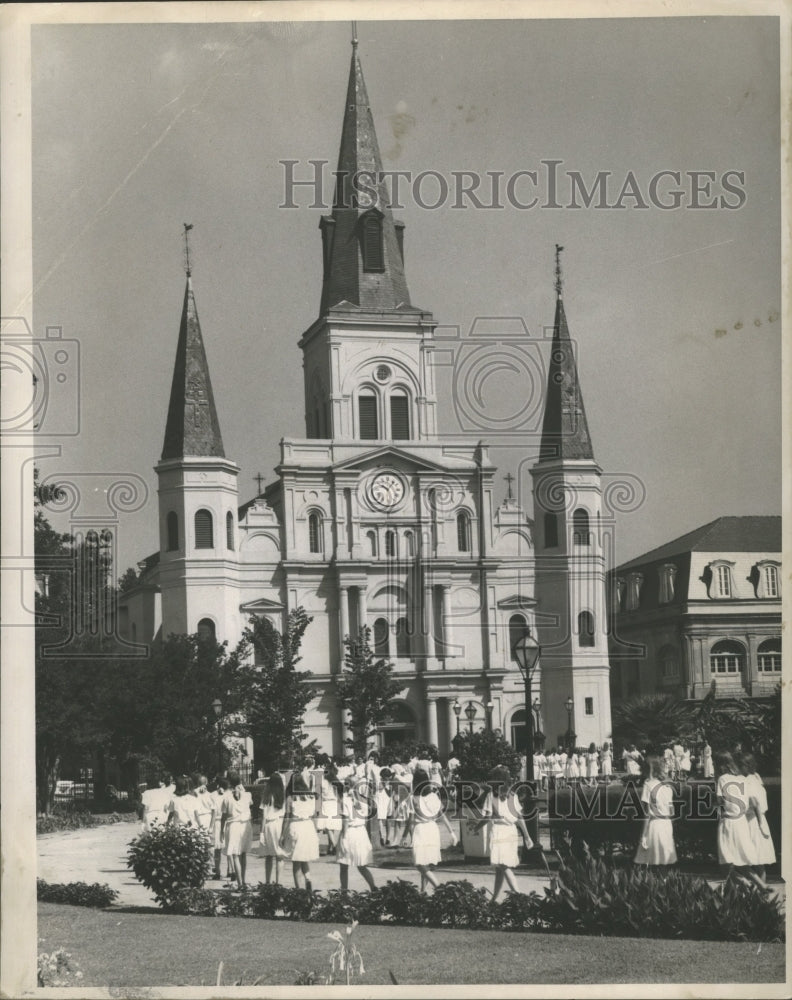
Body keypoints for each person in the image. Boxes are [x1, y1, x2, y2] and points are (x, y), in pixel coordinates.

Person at [477, 766, 533, 902]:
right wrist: (527, 836)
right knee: (500, 868)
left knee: (504, 866)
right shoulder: (512, 796)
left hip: (499, 832)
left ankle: (520, 896)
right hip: (511, 832)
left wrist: (477, 827)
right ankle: (494, 899)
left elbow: (487, 817)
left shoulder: (491, 796)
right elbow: (519, 817)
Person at [714, 750, 765, 889]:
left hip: (728, 823)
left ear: (721, 765)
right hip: (742, 822)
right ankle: (760, 885)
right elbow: (753, 802)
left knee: (726, 863)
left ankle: (746, 884)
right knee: (742, 861)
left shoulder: (722, 779)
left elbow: (720, 801)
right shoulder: (742, 779)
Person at [409, 768, 457, 893]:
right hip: (433, 829)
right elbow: (442, 815)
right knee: (427, 863)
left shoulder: (413, 798)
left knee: (420, 864)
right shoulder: (434, 796)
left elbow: (410, 821)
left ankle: (439, 888)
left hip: (421, 830)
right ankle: (423, 891)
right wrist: (451, 832)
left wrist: (408, 837)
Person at [737, 752, 775, 885]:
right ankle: (759, 894)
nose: (739, 768)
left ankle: (758, 894)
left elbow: (755, 803)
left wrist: (760, 824)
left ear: (747, 766)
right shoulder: (756, 778)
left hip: (753, 822)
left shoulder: (749, 782)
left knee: (750, 860)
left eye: (740, 765)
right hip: (759, 820)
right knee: (758, 862)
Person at [634, 755, 677, 867]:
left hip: (655, 826)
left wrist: (643, 835)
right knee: (664, 863)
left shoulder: (648, 785)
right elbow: (672, 811)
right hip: (667, 825)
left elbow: (647, 814)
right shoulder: (667, 786)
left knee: (653, 863)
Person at [280, 771, 320, 891]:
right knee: (304, 858)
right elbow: (314, 816)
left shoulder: (291, 798)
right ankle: (308, 878)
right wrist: (315, 831)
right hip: (308, 826)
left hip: (296, 826)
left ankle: (298, 890)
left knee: (296, 861)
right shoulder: (311, 797)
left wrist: (282, 834)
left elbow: (287, 818)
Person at [337, 775, 377, 891]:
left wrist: (343, 839)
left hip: (349, 832)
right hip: (361, 833)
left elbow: (345, 822)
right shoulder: (364, 799)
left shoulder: (345, 800)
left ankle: (344, 892)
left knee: (344, 867)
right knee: (362, 866)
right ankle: (373, 887)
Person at [222, 772, 253, 891]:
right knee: (243, 854)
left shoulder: (227, 796)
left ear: (229, 782)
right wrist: (242, 789)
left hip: (233, 826)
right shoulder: (247, 795)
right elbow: (250, 804)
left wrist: (221, 830)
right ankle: (243, 882)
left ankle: (240, 883)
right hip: (245, 825)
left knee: (235, 855)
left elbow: (225, 814)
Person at [259, 772, 288, 885]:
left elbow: (264, 816)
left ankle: (267, 882)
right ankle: (278, 882)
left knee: (269, 855)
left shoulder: (266, 796)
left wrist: (261, 832)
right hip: (280, 824)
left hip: (269, 825)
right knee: (279, 856)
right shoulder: (283, 796)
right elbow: (286, 814)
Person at [316, 768, 342, 855]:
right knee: (333, 826)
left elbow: (318, 793)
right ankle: (331, 847)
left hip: (326, 803)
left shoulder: (323, 782)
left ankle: (334, 845)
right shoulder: (336, 782)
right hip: (334, 803)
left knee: (328, 826)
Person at [375, 767, 393, 845]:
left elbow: (390, 793)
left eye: (388, 776)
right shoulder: (378, 780)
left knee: (388, 819)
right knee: (379, 818)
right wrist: (384, 783)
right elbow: (378, 788)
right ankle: (382, 837)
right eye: (385, 776)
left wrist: (386, 784)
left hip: (388, 800)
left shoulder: (391, 782)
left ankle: (388, 838)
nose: (387, 777)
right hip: (379, 799)